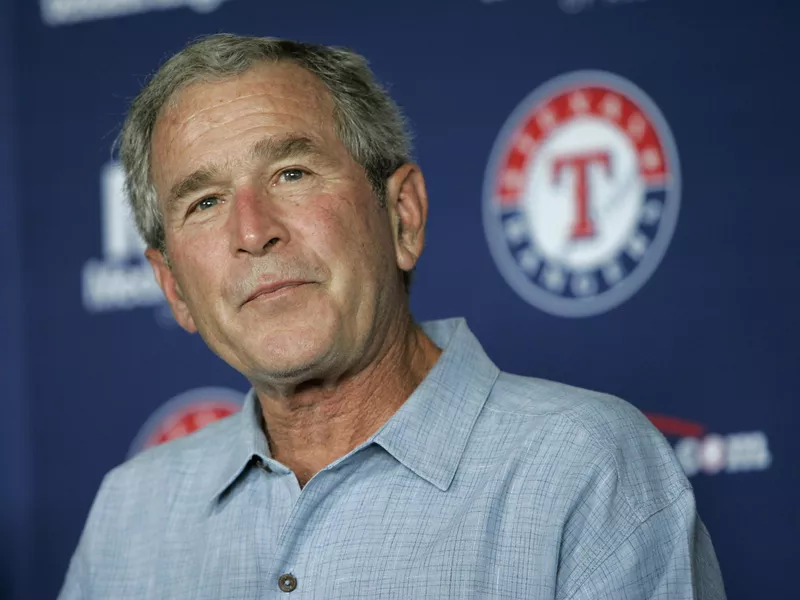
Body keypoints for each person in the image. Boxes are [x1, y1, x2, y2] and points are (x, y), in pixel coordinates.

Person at [59, 33, 726, 599]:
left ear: (402, 215)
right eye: (203, 202)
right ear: (174, 286)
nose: (253, 231)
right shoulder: (129, 515)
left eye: (291, 173)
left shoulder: (587, 467)